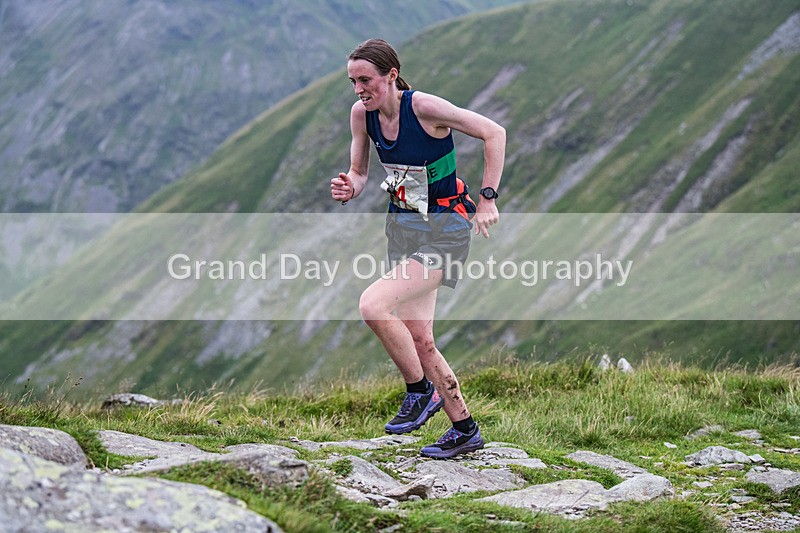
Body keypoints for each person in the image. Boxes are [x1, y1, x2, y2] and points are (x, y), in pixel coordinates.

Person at [331, 39, 505, 459]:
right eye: (353, 81)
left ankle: (420, 390)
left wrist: (487, 199)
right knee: (419, 337)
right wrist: (348, 186)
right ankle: (464, 429)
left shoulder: (423, 108)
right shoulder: (363, 115)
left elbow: (493, 132)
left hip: (446, 228)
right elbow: (359, 172)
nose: (359, 89)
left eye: (366, 80)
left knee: (373, 306)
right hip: (405, 226)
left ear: (391, 75)